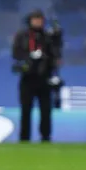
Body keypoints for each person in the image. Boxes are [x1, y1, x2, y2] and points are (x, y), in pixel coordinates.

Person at [12, 10, 61, 142]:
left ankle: (45, 137)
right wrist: (29, 57)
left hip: (45, 77)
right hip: (28, 78)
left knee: (46, 110)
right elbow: (16, 54)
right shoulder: (22, 36)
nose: (38, 22)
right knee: (26, 110)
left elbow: (55, 54)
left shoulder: (47, 36)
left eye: (40, 19)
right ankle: (24, 138)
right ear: (30, 20)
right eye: (35, 19)